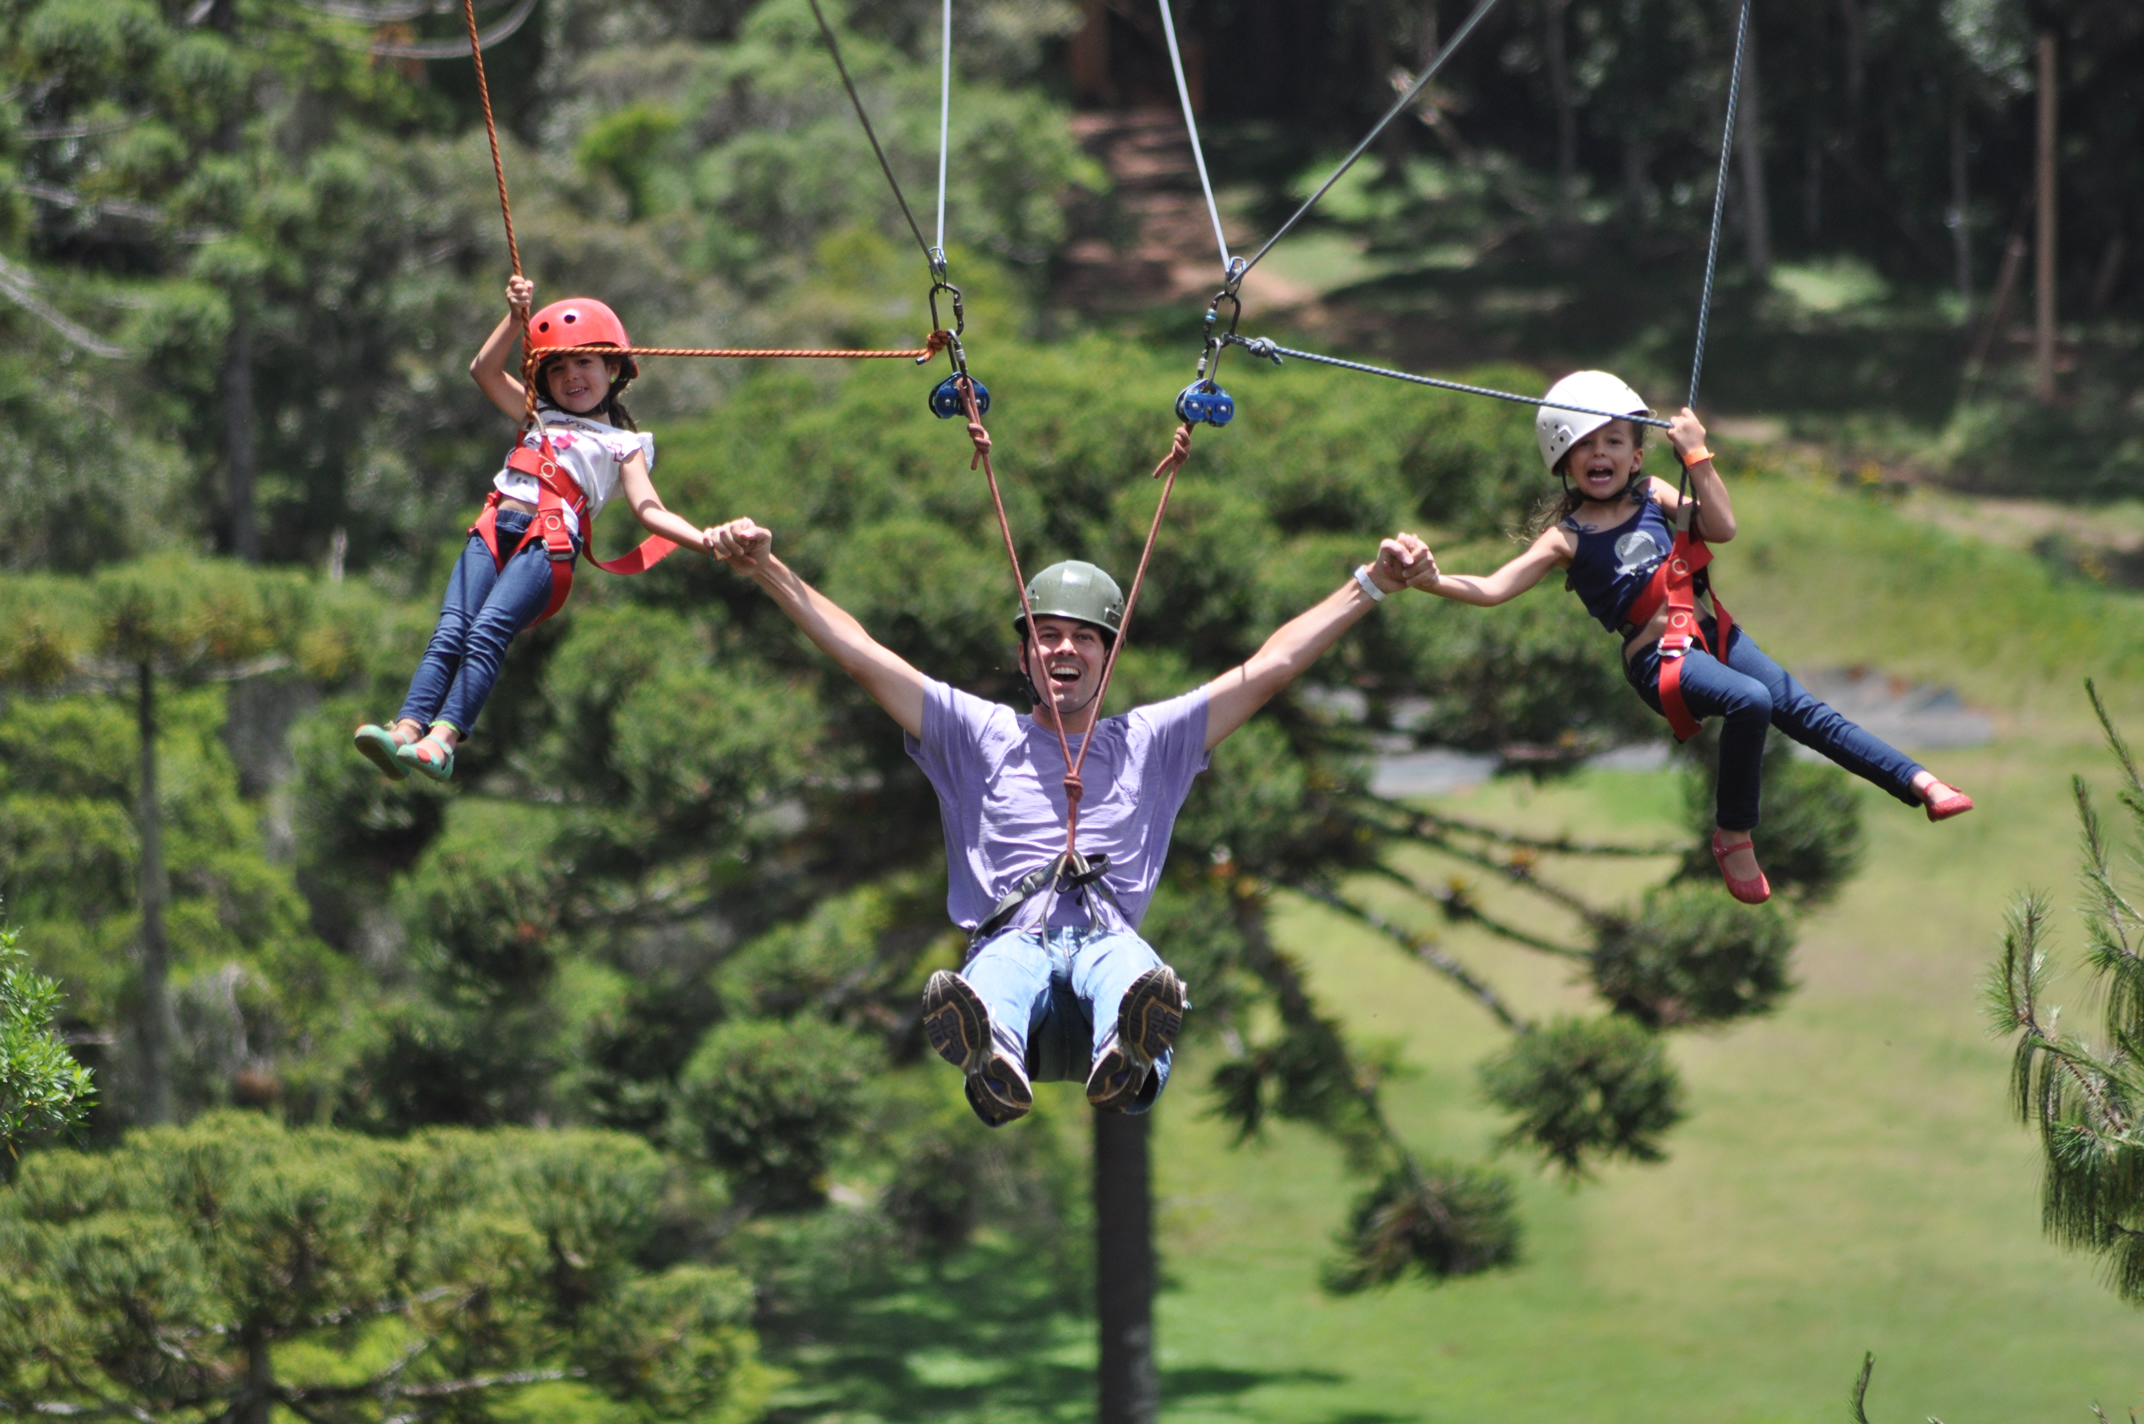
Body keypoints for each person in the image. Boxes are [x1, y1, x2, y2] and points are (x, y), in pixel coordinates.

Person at [708, 514, 1434, 1126]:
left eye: (1084, 637)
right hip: (1009, 940)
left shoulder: (1152, 741)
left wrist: (1370, 584)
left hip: (1106, 946)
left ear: (1107, 659)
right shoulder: (976, 733)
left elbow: (1271, 667)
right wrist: (769, 570)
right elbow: (862, 656)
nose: (1064, 648)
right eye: (1047, 634)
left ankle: (1128, 1050)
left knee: (1131, 969)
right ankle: (991, 1055)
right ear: (1025, 654)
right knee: (1000, 973)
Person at [1407, 371, 1973, 905]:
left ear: (1636, 454)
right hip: (1661, 661)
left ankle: (1918, 782)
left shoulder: (1654, 493)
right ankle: (1733, 834)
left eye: (1613, 441)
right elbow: (1493, 588)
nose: (1600, 453)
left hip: (1712, 633)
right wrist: (1432, 580)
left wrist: (1698, 457)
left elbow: (1722, 527)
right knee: (1751, 700)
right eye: (1586, 445)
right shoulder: (1566, 539)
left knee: (1803, 710)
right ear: (1564, 460)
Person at [353, 277, 723, 783]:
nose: (571, 375)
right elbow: (483, 371)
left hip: (548, 542)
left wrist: (704, 540)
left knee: (486, 631)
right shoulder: (537, 414)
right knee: (451, 630)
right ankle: (406, 730)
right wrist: (515, 318)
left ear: (613, 369)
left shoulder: (624, 445)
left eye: (584, 362)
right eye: (557, 367)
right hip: (493, 528)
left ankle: (443, 741)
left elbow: (650, 510)